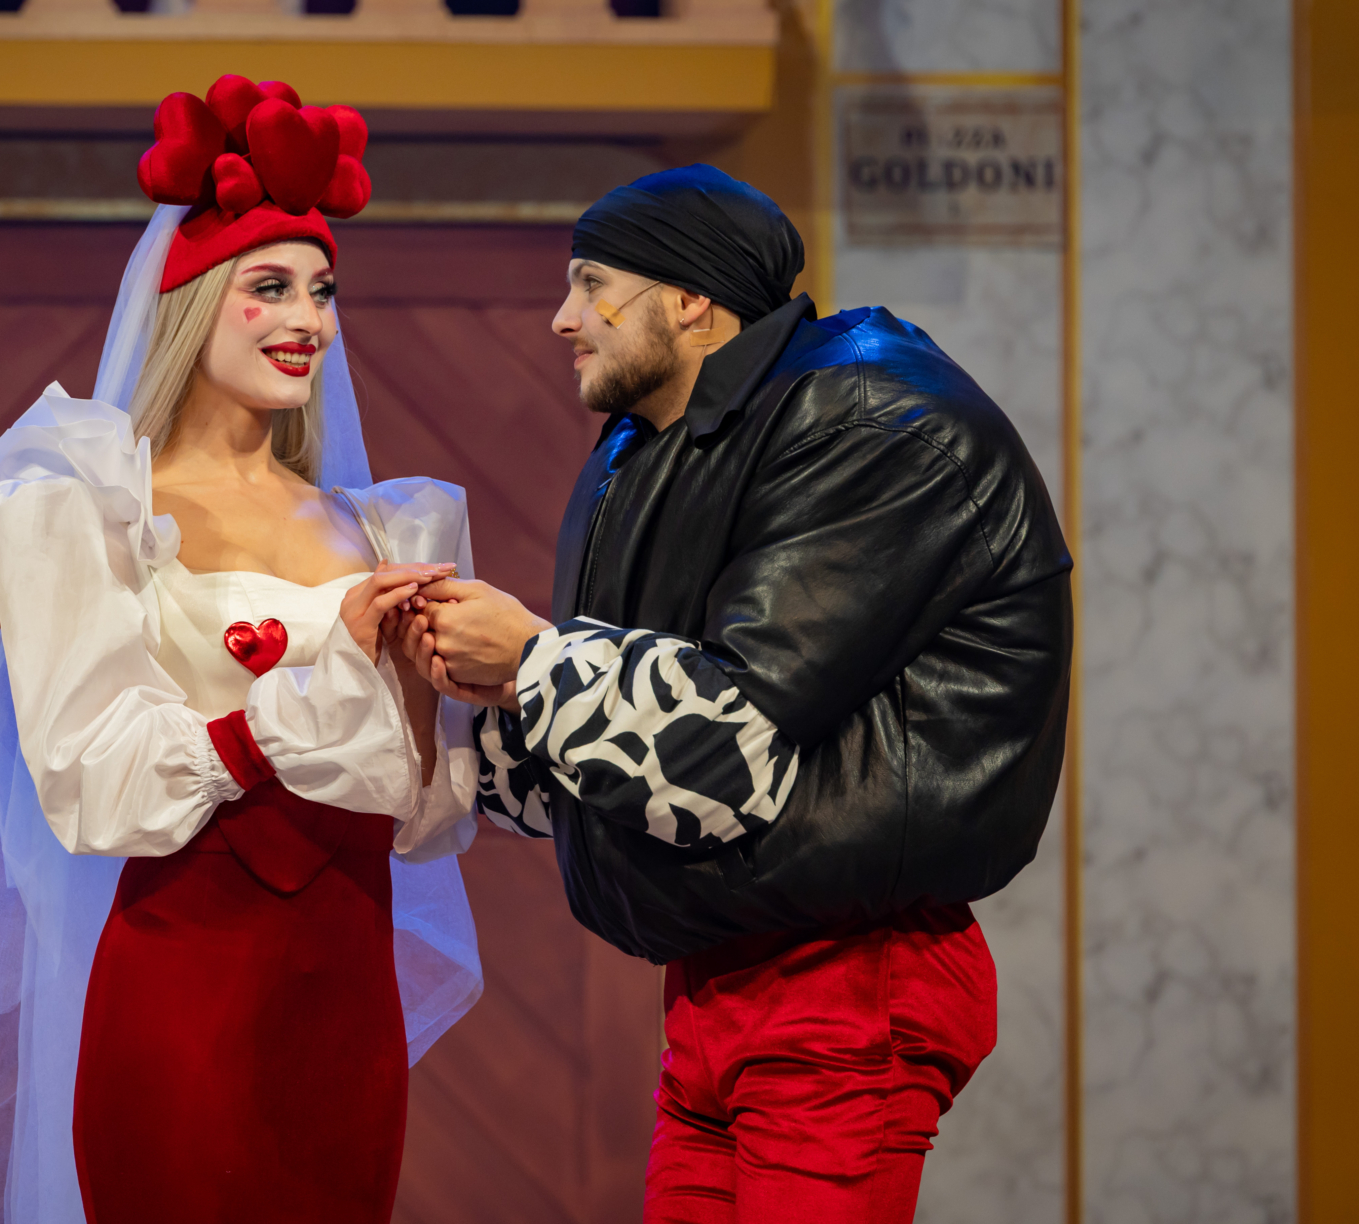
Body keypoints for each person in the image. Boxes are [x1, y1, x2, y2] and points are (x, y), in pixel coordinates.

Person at [0, 75, 484, 1224]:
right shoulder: (91, 512)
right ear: (191, 303)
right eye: (270, 286)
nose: (309, 319)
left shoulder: (388, 528)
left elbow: (424, 821)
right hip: (187, 988)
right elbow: (96, 781)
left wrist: (425, 686)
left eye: (324, 290)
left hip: (347, 1005)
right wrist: (324, 668)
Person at [403, 164, 1072, 1223]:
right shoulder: (655, 447)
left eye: (591, 284)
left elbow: (730, 745)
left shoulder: (866, 422)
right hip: (722, 976)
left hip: (851, 972)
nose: (562, 318)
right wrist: (426, 705)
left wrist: (530, 659)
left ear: (689, 299)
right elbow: (624, 749)